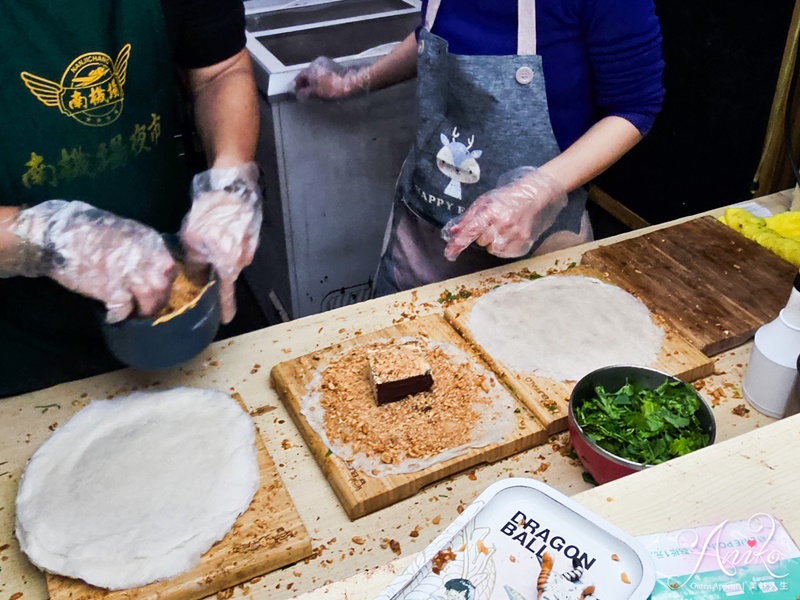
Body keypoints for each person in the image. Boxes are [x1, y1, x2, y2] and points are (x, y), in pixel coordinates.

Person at [294, 0, 664, 295]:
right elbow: (434, 36)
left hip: (538, 239)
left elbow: (634, 108)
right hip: (425, 225)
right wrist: (357, 81)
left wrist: (533, 191)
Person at [0, 0, 262, 398]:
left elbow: (220, 71)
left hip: (178, 290)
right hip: (24, 340)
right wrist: (44, 238)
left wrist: (229, 178)